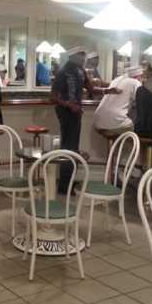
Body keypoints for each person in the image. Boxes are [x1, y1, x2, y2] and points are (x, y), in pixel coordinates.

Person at [52, 46, 91, 193]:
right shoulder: (63, 72)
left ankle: (67, 182)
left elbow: (90, 87)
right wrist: (69, 105)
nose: (84, 59)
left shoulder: (81, 71)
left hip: (76, 113)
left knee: (73, 147)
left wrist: (108, 90)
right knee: (68, 147)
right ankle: (64, 185)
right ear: (73, 57)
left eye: (84, 56)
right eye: (81, 56)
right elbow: (53, 97)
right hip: (66, 113)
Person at [93, 66, 143, 134]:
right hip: (114, 121)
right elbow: (141, 101)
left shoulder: (116, 79)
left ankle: (116, 144)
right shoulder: (135, 82)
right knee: (137, 132)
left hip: (97, 120)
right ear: (139, 76)